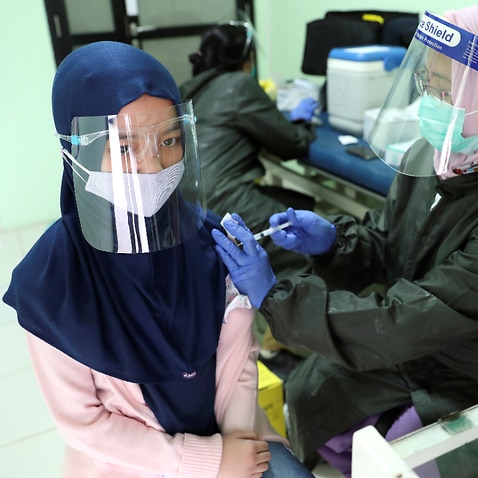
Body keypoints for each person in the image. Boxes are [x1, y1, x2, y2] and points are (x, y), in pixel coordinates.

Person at [2, 41, 315, 478]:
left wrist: (234, 451)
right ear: (76, 151)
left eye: (169, 140)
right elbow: (85, 424)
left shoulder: (210, 244)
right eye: (125, 148)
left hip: (234, 442)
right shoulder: (50, 284)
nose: (152, 167)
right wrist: (203, 463)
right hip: (127, 464)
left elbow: (238, 367)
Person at [211, 7, 478, 477]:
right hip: (411, 344)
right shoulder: (431, 155)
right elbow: (390, 240)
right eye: (427, 85)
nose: (431, 103)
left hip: (459, 368)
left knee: (395, 454)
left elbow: (411, 317)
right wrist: (335, 241)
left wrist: (279, 300)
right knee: (309, 388)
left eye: (444, 90)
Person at [179, 21, 319, 375]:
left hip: (192, 207)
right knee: (298, 238)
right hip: (227, 202)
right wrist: (302, 122)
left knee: (301, 206)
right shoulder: (239, 84)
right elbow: (290, 143)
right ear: (246, 59)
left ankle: (267, 324)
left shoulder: (188, 91)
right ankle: (288, 339)